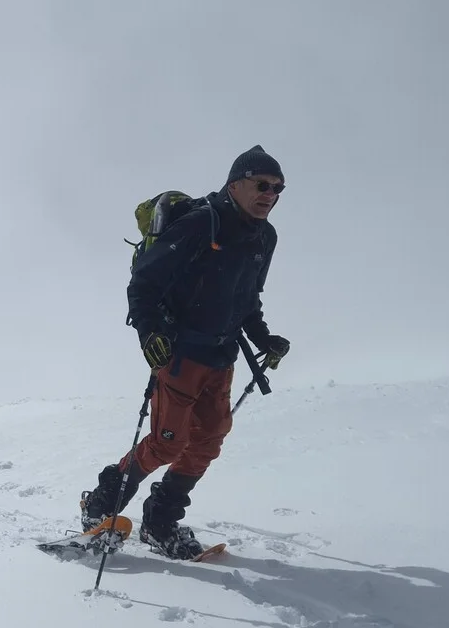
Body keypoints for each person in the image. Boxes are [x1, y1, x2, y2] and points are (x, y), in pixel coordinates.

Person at [80, 145, 292, 559]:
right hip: (180, 354)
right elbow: (144, 283)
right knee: (167, 443)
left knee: (208, 442)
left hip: (222, 357)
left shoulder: (265, 237)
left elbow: (247, 300)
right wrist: (149, 334)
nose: (270, 195)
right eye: (262, 185)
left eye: (278, 189)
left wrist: (264, 338)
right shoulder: (201, 224)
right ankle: (101, 503)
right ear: (235, 185)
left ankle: (160, 521)